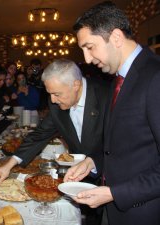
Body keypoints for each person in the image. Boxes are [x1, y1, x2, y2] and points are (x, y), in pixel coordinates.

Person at [64, 2, 160, 225]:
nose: (87, 59)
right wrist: (92, 162)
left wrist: (115, 193)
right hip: (115, 210)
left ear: (116, 37)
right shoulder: (118, 79)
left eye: (90, 47)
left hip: (143, 212)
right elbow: (122, 144)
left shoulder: (155, 77)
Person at [0, 59, 110, 225]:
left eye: (57, 94)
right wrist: (9, 164)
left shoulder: (107, 95)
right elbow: (39, 135)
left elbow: (119, 143)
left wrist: (94, 162)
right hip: (80, 176)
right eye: (50, 94)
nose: (53, 100)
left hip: (112, 179)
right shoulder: (56, 100)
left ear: (75, 84)